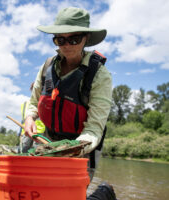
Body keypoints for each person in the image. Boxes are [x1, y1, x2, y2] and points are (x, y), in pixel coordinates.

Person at [24, 7, 116, 199]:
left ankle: (105, 193)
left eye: (74, 39)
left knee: (69, 194)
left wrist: (70, 148)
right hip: (48, 141)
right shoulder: (47, 66)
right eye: (60, 39)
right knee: (42, 192)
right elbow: (33, 102)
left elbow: (94, 129)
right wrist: (29, 117)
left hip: (82, 147)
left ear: (85, 39)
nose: (67, 45)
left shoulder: (100, 75)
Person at [18, 83, 45, 153]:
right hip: (26, 132)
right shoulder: (24, 105)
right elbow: (23, 120)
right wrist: (20, 133)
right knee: (24, 152)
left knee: (37, 153)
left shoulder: (45, 104)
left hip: (40, 133)